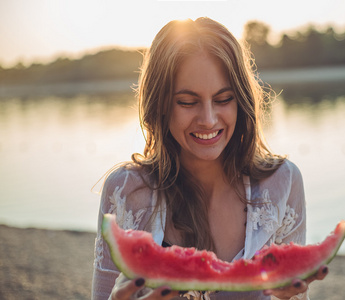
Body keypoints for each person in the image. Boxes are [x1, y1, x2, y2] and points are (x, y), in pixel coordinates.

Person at [91, 17, 328, 300]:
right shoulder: (125, 190)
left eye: (223, 99)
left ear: (241, 100)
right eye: (187, 102)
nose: (208, 119)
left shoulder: (283, 182)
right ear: (161, 104)